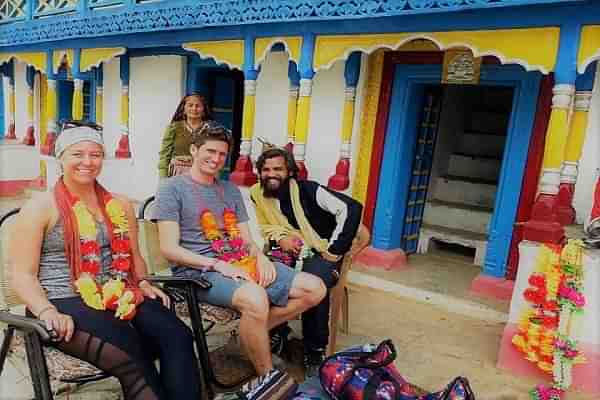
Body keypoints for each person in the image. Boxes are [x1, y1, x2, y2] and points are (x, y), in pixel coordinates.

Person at [9, 121, 202, 400]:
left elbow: (134, 256)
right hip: (62, 300)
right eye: (77, 154)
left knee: (178, 337)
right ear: (60, 157)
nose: (87, 162)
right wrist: (47, 311)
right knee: (131, 353)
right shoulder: (40, 207)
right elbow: (22, 275)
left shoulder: (119, 204)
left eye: (95, 154)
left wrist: (144, 282)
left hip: (119, 289)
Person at [155, 124, 326, 388]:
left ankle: (246, 335)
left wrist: (261, 257)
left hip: (240, 261)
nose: (216, 159)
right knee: (256, 297)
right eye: (210, 151)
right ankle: (267, 378)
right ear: (193, 150)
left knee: (315, 288)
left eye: (223, 154)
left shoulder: (230, 189)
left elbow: (247, 240)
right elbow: (168, 248)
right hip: (198, 271)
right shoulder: (171, 188)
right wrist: (217, 264)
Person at [250, 147, 363, 377]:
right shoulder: (257, 194)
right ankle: (278, 333)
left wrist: (335, 250)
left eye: (278, 169)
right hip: (288, 250)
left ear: (290, 171)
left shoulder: (309, 190)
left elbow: (351, 208)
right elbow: (266, 226)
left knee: (315, 282)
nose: (271, 174)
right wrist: (281, 238)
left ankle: (314, 349)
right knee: (267, 274)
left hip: (320, 250)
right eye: (266, 169)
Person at [158, 93, 213, 178]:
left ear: (204, 110)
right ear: (184, 109)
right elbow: (164, 155)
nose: (194, 109)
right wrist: (163, 179)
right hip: (177, 175)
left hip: (202, 174)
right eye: (190, 105)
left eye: (198, 106)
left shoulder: (210, 130)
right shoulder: (173, 128)